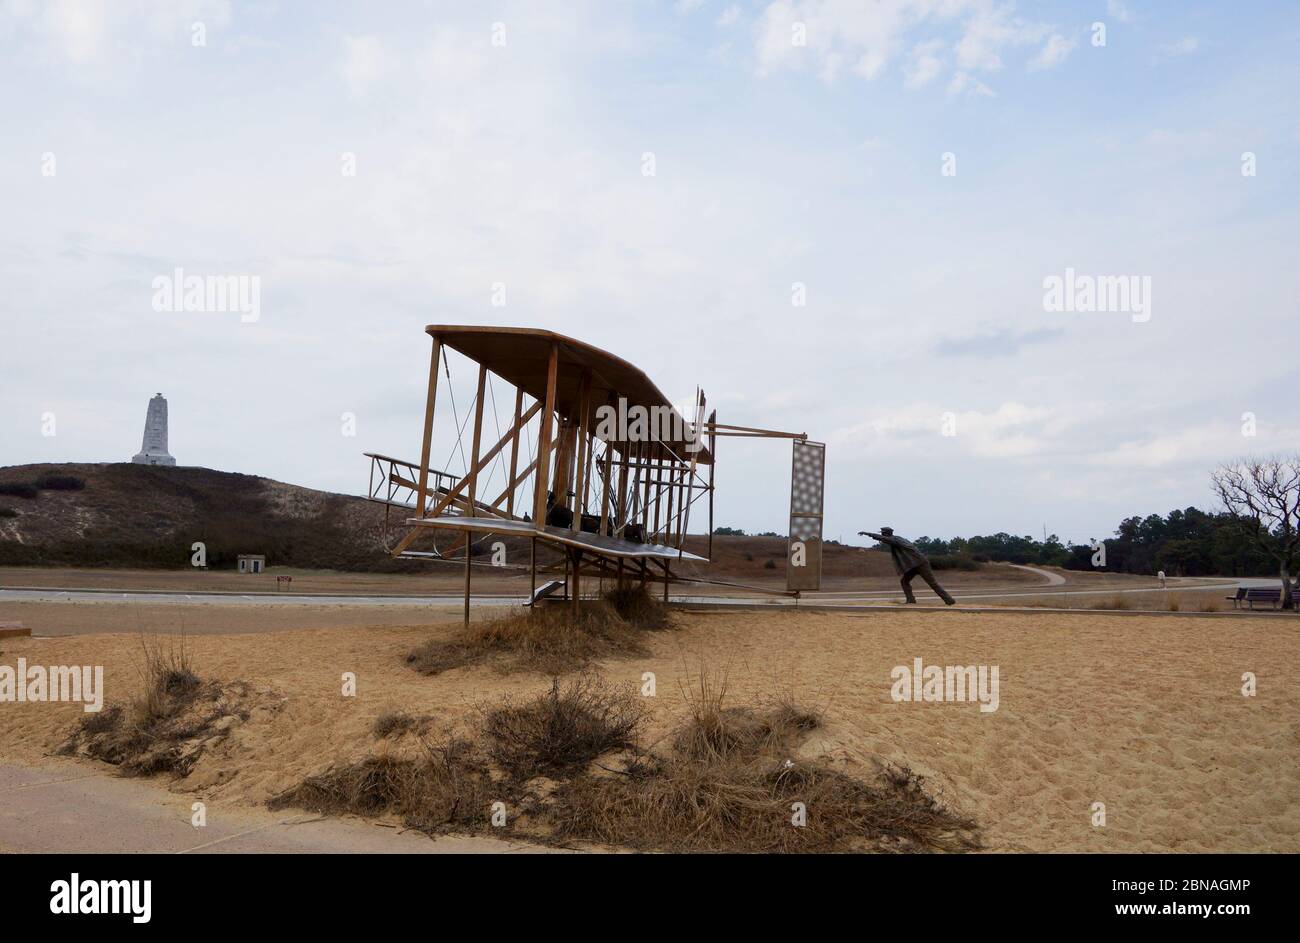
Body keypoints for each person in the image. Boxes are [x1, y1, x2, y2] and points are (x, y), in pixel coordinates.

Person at [859, 526, 956, 606]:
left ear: (887, 534)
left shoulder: (895, 539)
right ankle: (911, 600)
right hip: (913, 564)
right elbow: (885, 539)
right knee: (904, 581)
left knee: (932, 583)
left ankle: (949, 600)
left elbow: (884, 539)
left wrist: (868, 534)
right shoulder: (896, 539)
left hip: (920, 563)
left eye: (882, 533)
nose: (881, 535)